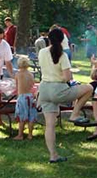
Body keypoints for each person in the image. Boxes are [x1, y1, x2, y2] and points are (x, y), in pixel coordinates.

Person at [37, 28, 93, 163]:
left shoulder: (42, 52)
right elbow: (67, 77)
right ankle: (75, 114)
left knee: (50, 125)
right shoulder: (62, 55)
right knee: (89, 88)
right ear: (63, 40)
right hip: (58, 89)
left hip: (44, 89)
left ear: (48, 39)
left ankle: (53, 155)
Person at [13, 57, 37, 140]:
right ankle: (30, 135)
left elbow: (16, 86)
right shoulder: (30, 74)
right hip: (30, 96)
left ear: (19, 65)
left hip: (22, 97)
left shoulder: (18, 74)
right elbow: (33, 84)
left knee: (22, 117)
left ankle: (20, 135)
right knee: (31, 117)